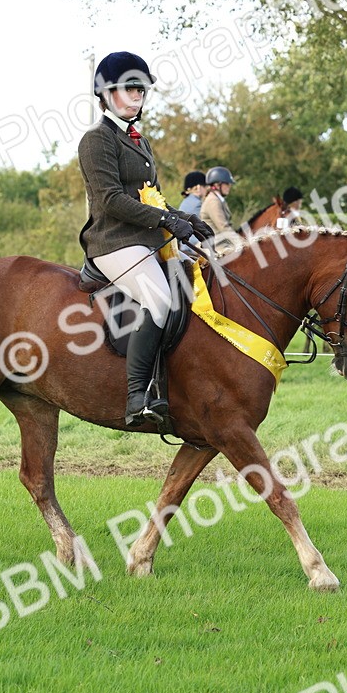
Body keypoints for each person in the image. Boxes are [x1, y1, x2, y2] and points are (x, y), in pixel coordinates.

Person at [77, 51, 214, 427]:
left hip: (146, 239)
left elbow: (149, 195)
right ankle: (137, 395)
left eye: (142, 89)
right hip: (114, 241)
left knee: (195, 286)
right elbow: (111, 200)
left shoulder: (139, 141)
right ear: (105, 93)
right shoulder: (96, 140)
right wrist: (167, 219)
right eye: (130, 88)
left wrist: (184, 217)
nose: (138, 95)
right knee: (160, 298)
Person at [201, 165, 238, 255]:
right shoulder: (213, 201)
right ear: (217, 185)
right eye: (227, 184)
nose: (229, 186)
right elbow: (223, 227)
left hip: (224, 244)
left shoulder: (218, 199)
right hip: (218, 247)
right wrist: (242, 243)